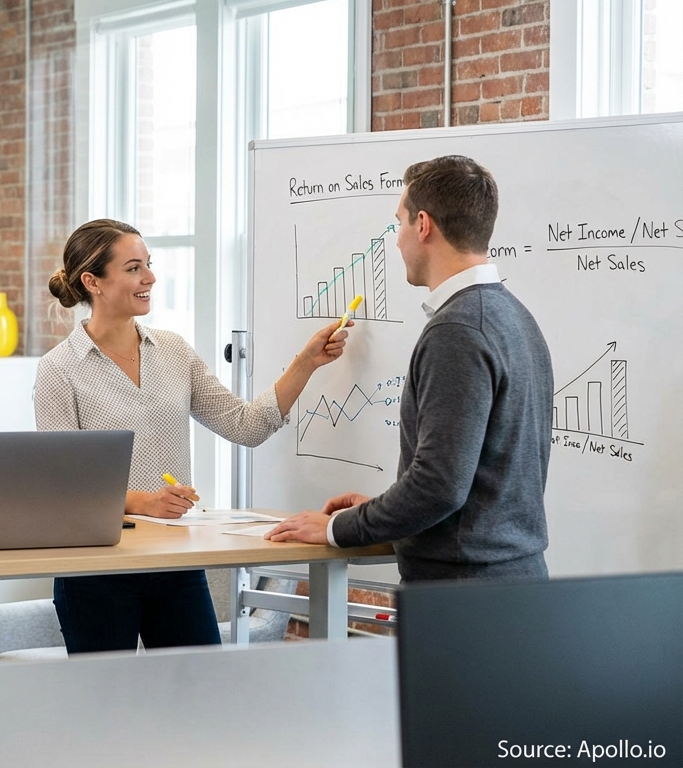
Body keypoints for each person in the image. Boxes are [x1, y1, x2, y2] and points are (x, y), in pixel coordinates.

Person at [34, 218, 349, 653]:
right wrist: (143, 502)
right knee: (109, 697)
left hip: (175, 564)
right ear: (93, 282)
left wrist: (306, 363)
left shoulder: (174, 351)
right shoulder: (58, 369)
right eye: (133, 268)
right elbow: (64, 488)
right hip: (97, 568)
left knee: (202, 689)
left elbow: (245, 425)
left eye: (148, 264)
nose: (150, 277)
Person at [266, 156, 553, 582]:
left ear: (423, 225)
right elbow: (471, 480)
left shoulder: (457, 330)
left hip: (464, 593)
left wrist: (334, 529)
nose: (397, 240)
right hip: (505, 582)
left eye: (398, 223)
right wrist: (376, 511)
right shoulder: (514, 316)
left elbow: (439, 487)